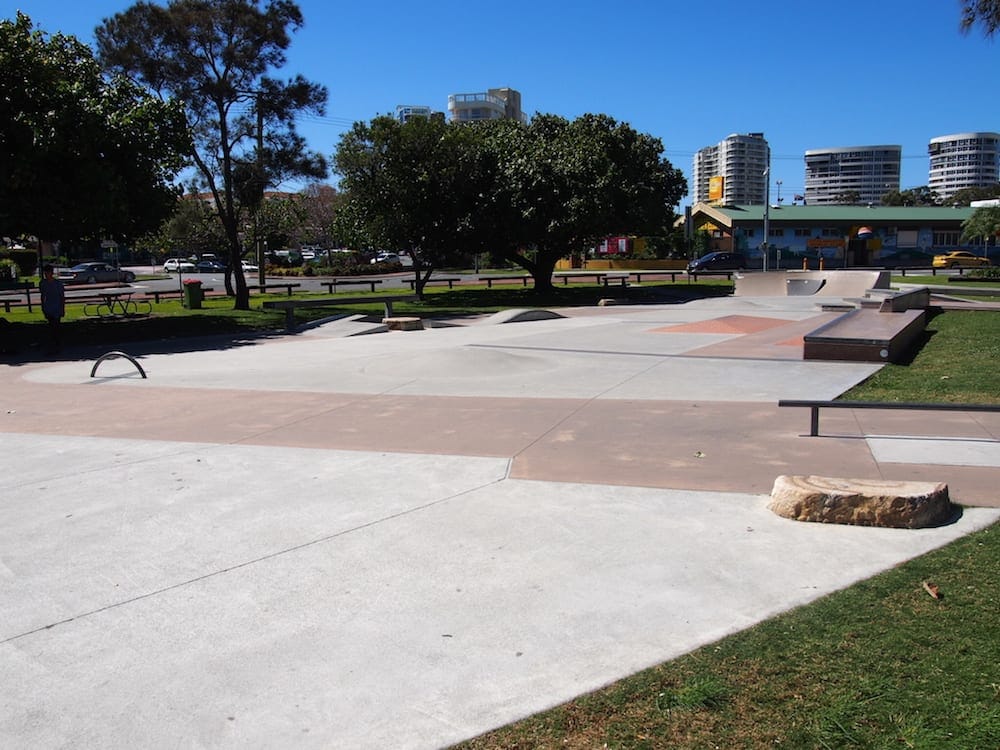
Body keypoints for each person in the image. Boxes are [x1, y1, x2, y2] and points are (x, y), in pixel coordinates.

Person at [39, 264, 65, 352]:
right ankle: (53, 343)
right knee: (51, 326)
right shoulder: (43, 283)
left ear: (52, 273)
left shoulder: (58, 284)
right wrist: (43, 306)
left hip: (56, 307)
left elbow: (62, 297)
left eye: (48, 272)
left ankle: (57, 343)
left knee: (56, 326)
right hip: (48, 307)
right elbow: (43, 295)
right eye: (45, 273)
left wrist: (62, 308)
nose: (46, 274)